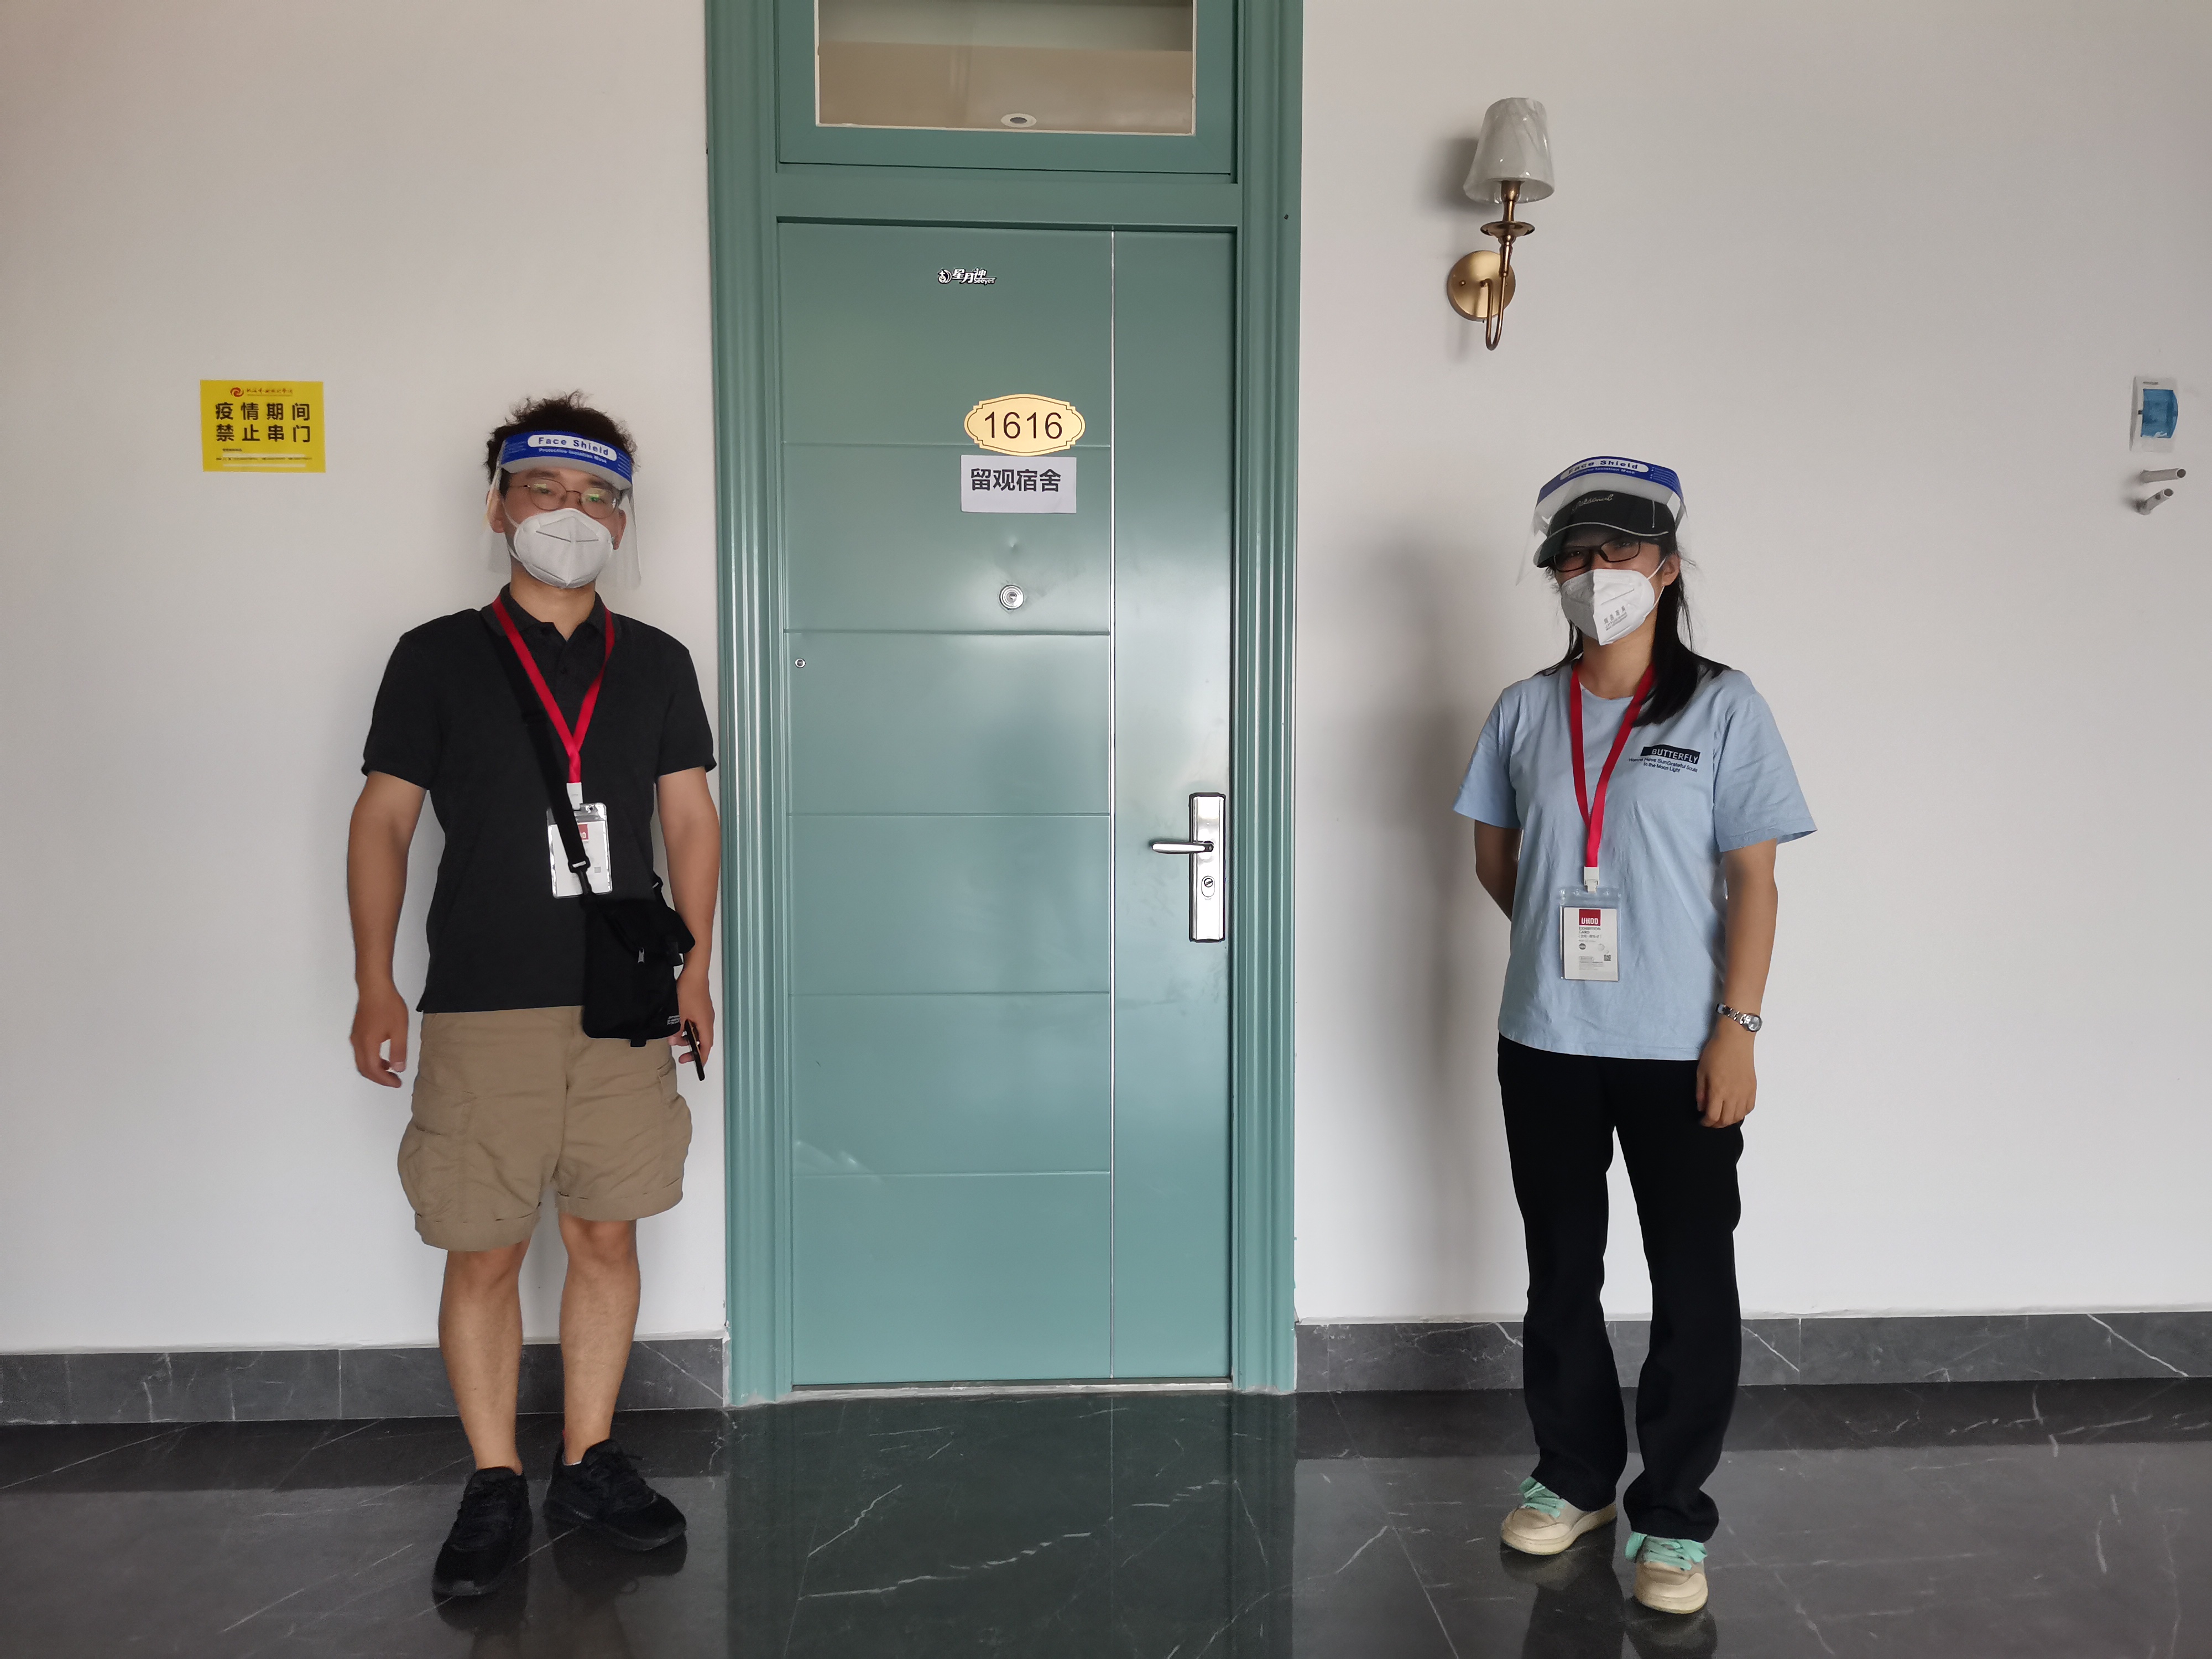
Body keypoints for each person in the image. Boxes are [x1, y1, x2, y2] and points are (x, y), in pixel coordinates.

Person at [347, 394, 721, 1599]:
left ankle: (590, 1460)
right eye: (546, 490)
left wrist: (696, 968)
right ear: (499, 505)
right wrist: (374, 981)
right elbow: (383, 820)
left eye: (598, 495)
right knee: (486, 1247)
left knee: (606, 1232)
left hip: (624, 999)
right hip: (481, 997)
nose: (572, 514)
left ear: (624, 516)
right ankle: (495, 1479)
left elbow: (688, 819)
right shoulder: (437, 656)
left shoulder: (655, 661)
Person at [1453, 457, 1814, 1618]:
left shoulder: (1723, 706)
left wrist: (1736, 1027)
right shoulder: (1523, 710)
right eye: (1573, 556)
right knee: (1561, 1268)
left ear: (1663, 568)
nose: (1593, 572)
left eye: (1617, 552)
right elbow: (1499, 861)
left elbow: (1753, 882)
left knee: (1691, 1276)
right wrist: (1564, 953)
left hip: (1682, 1047)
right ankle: (1573, 1478)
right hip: (1545, 1041)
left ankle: (1671, 1514)